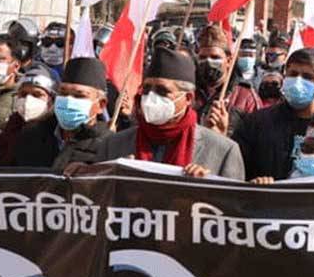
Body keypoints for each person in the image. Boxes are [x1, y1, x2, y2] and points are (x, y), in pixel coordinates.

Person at [89, 48, 244, 179]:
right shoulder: (112, 146)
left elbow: (234, 209)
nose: (151, 96)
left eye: (163, 91)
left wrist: (204, 189)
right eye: (146, 89)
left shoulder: (223, 151)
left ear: (188, 98)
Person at [231, 44, 314, 181]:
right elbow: (236, 171)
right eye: (293, 74)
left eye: (307, 77)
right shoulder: (257, 123)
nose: (298, 81)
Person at [5, 58, 113, 171]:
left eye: (79, 96)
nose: (68, 100)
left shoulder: (109, 146)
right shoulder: (31, 135)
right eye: (63, 93)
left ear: (101, 105)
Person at [0, 66, 57, 161]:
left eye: (37, 95)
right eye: (23, 94)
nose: (28, 100)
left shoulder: (58, 132)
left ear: (52, 99)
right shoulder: (11, 127)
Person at [193, 24, 235, 133]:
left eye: (215, 57)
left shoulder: (244, 97)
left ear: (229, 61)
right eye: (203, 57)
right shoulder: (189, 92)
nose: (208, 62)